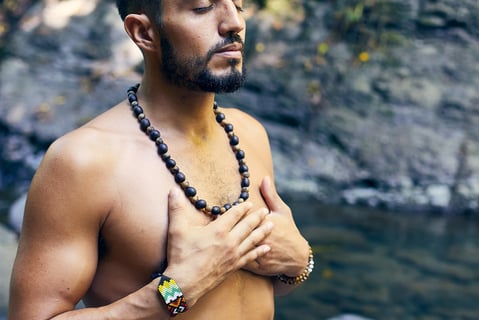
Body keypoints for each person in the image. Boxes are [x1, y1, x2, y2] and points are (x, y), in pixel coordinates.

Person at [8, 0, 313, 319]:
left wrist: (300, 261)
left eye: (238, 5)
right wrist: (176, 290)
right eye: (203, 7)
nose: (234, 22)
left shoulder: (250, 134)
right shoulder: (84, 162)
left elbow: (252, 286)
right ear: (144, 32)